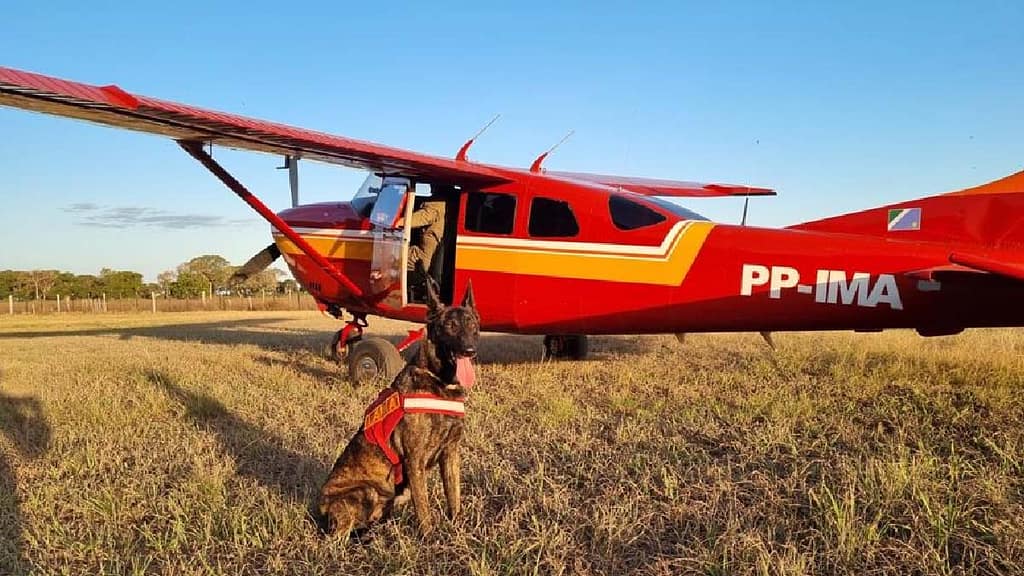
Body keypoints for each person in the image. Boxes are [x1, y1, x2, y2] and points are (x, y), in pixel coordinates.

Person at [396, 193, 447, 274]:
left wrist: (399, 222)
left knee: (392, 259)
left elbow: (425, 217)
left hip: (422, 258)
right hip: (425, 253)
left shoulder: (437, 204)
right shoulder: (442, 202)